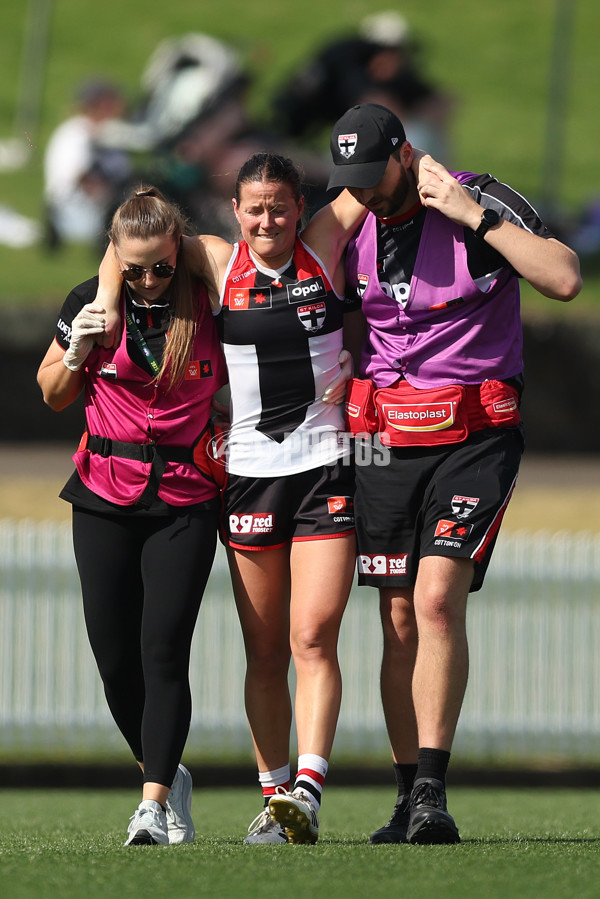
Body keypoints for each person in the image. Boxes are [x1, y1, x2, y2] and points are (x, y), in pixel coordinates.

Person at [95, 153, 375, 844]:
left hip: (325, 467)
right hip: (249, 473)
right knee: (265, 649)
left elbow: (382, 170)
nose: (267, 220)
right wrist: (105, 300)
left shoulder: (324, 242)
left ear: (301, 205)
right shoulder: (219, 260)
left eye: (280, 206)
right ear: (235, 211)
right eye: (255, 208)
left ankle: (308, 791)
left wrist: (453, 188)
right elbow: (132, 238)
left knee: (313, 635)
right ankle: (274, 799)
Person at [327, 103, 582, 845]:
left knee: (437, 597)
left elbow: (564, 277)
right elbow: (304, 287)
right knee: (397, 615)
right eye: (350, 180)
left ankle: (433, 792)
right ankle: (405, 797)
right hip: (378, 439)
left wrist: (475, 216)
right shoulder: (348, 217)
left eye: (373, 175)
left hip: (475, 435)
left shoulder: (479, 197)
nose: (364, 192)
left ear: (406, 155)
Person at [36, 187, 227, 846]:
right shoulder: (89, 301)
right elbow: (52, 393)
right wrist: (76, 351)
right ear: (115, 257)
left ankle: (150, 804)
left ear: (180, 253)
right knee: (115, 658)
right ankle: (166, 771)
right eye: (135, 268)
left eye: (162, 266)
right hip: (102, 492)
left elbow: (219, 255)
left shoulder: (207, 302)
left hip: (184, 495)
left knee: (163, 649)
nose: (149, 280)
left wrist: (178, 257)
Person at [43, 78, 132, 250]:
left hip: (92, 207)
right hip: (72, 210)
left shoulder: (107, 133)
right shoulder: (76, 134)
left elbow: (122, 172)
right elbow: (76, 177)